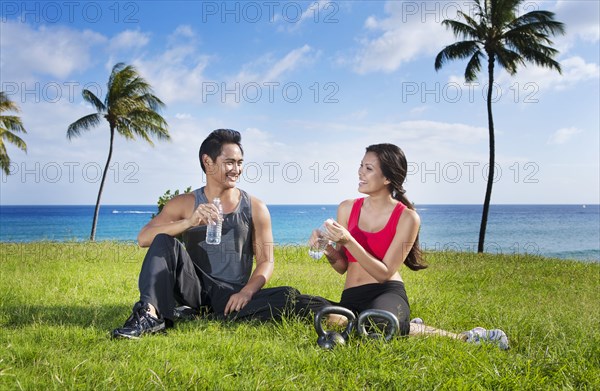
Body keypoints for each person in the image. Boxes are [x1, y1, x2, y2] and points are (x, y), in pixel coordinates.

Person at [306, 143, 509, 349]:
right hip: (351, 295)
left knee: (378, 325)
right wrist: (326, 248)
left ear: (387, 178)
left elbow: (385, 273)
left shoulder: (407, 218)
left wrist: (349, 240)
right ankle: (408, 327)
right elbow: (342, 267)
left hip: (385, 291)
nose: (360, 172)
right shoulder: (347, 208)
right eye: (361, 165)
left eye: (369, 168)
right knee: (335, 323)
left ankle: (466, 337)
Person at [112, 129, 299, 339]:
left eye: (239, 162)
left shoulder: (255, 207)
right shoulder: (184, 203)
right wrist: (189, 222)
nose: (236, 169)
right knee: (164, 241)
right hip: (194, 289)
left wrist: (246, 292)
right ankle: (149, 315)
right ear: (208, 162)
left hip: (232, 294)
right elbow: (143, 238)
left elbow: (266, 261)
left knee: (288, 295)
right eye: (229, 162)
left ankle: (209, 313)